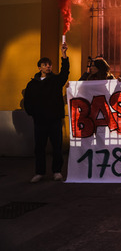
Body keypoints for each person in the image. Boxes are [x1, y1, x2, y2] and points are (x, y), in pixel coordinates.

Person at [24, 42, 70, 183]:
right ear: (39, 68)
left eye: (49, 64)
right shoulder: (32, 84)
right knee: (39, 148)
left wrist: (64, 55)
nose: (48, 66)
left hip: (55, 119)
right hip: (40, 121)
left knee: (57, 147)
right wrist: (33, 113)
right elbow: (28, 101)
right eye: (45, 65)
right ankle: (40, 172)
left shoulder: (56, 80)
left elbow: (65, 72)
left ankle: (57, 171)